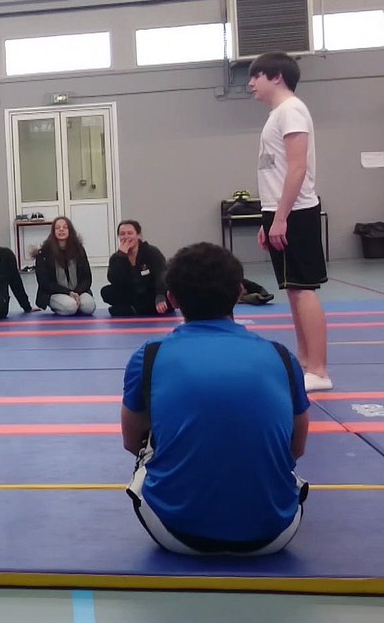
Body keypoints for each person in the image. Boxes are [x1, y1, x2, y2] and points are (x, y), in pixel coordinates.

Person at [121, 242, 310, 556]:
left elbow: (132, 442)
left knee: (151, 446)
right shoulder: (280, 355)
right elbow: (297, 447)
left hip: (175, 533)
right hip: (274, 534)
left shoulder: (150, 355)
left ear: (172, 298)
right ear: (239, 292)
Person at [249, 52, 332, 392]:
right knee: (294, 290)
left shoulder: (292, 110)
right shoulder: (277, 115)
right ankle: (304, 362)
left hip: (296, 211)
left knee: (304, 288)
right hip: (280, 211)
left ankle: (320, 370)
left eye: (256, 76)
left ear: (277, 77)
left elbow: (297, 167)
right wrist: (268, 217)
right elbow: (276, 170)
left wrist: (281, 216)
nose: (251, 83)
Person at [102, 221, 172, 318]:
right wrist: (122, 257)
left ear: (138, 235)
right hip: (131, 294)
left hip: (150, 292)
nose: (126, 237)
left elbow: (161, 274)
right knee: (106, 292)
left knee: (167, 298)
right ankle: (137, 308)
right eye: (122, 234)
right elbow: (114, 280)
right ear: (119, 237)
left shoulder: (152, 252)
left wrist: (160, 295)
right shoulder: (116, 257)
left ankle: (133, 309)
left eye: (130, 233)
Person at [34, 216, 95, 316]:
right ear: (53, 231)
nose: (61, 230)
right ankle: (64, 305)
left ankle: (75, 303)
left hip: (78, 291)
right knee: (70, 307)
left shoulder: (79, 249)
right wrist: (68, 292)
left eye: (65, 227)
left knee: (89, 306)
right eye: (57, 228)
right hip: (54, 292)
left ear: (70, 230)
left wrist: (76, 292)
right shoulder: (44, 253)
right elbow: (44, 282)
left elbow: (87, 278)